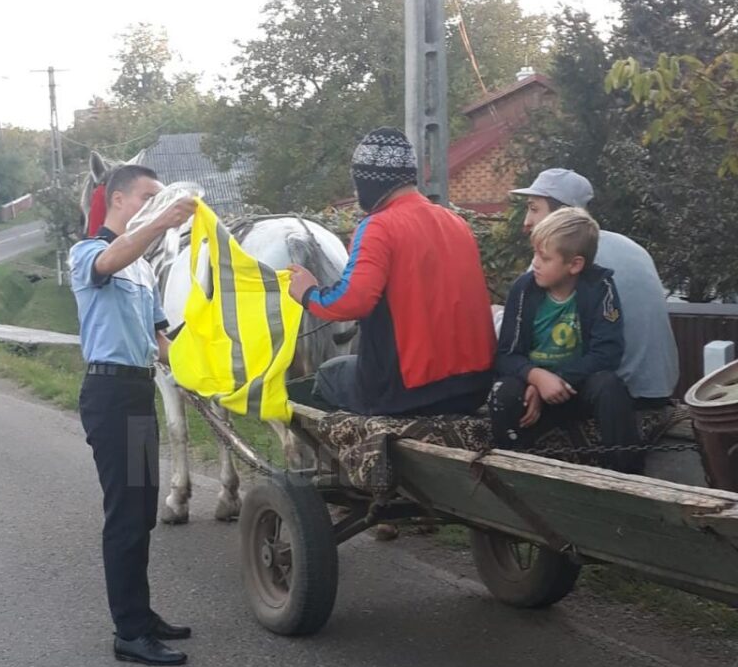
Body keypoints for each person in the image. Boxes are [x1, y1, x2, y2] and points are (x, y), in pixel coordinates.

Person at [69, 165, 197, 667]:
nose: (155, 203)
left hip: (139, 392)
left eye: (160, 199)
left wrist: (196, 363)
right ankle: (129, 632)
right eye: (147, 196)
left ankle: (141, 616)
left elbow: (162, 342)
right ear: (118, 199)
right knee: (125, 517)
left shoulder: (143, 268)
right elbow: (110, 260)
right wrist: (163, 221)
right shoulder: (89, 252)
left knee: (143, 513)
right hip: (108, 393)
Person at [287, 128, 495, 416]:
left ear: (367, 179)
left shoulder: (378, 227)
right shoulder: (456, 222)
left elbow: (352, 300)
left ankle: (345, 456)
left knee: (328, 374)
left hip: (409, 394)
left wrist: (308, 293)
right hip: (474, 387)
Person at [489, 206, 641, 472]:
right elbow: (507, 354)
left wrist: (557, 380)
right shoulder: (524, 290)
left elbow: (608, 352)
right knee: (503, 393)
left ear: (575, 264)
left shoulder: (600, 288)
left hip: (576, 387)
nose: (535, 262)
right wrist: (535, 377)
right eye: (535, 252)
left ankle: (627, 473)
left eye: (544, 257)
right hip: (532, 388)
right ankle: (513, 467)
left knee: (610, 386)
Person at [510, 168, 679, 406]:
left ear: (562, 214)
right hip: (659, 389)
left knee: (509, 387)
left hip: (612, 390)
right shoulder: (631, 246)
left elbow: (524, 339)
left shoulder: (563, 256)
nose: (527, 221)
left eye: (534, 208)